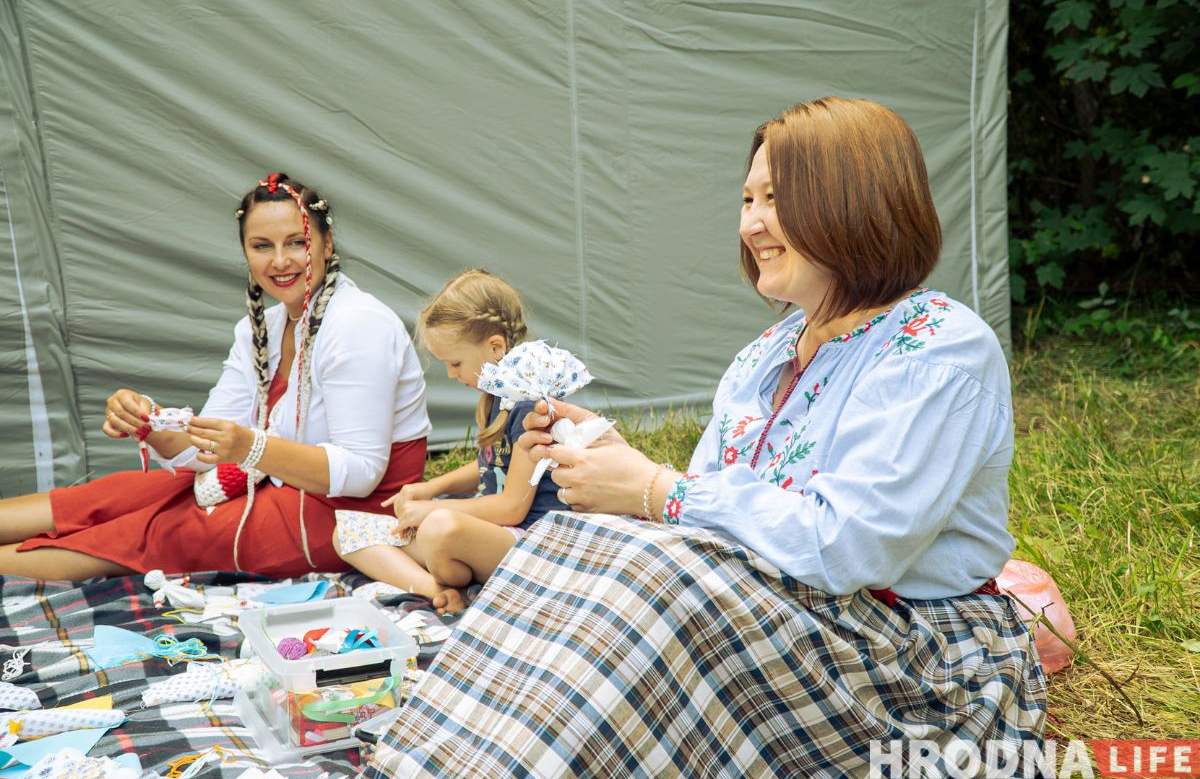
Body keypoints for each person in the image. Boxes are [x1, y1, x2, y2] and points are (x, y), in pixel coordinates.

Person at [365, 99, 1047, 778]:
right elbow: (700, 520)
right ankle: (433, 762)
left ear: (853, 199)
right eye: (747, 198)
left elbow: (849, 544)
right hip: (788, 619)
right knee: (578, 540)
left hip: (909, 656)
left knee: (652, 577)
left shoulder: (938, 347)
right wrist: (617, 473)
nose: (750, 222)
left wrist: (655, 490)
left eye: (775, 198)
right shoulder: (766, 354)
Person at [0, 173, 431, 580]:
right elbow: (211, 450)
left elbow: (361, 472)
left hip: (350, 518)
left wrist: (252, 448)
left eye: (296, 243)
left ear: (326, 243)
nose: (280, 261)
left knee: (164, 530)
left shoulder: (357, 324)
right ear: (245, 251)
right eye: (262, 246)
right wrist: (149, 421)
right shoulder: (260, 329)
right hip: (275, 483)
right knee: (119, 494)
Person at [333, 269, 560, 615]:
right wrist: (430, 488)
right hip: (484, 530)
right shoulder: (494, 397)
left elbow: (513, 506)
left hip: (528, 542)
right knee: (346, 533)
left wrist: (436, 508)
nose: (453, 375)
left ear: (495, 347)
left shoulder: (530, 406)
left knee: (440, 528)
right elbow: (492, 463)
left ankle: (447, 570)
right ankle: (436, 590)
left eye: (455, 363)